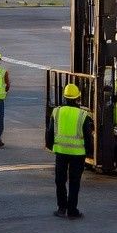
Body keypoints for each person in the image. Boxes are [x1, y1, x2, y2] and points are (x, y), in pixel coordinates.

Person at [45, 83, 94, 220]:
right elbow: (88, 137)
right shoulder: (83, 115)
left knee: (60, 181)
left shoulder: (57, 112)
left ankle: (61, 208)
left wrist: (50, 146)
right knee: (74, 182)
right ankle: (72, 210)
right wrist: (89, 152)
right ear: (78, 98)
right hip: (78, 154)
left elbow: (49, 132)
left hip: (61, 152)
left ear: (64, 97)